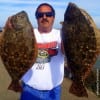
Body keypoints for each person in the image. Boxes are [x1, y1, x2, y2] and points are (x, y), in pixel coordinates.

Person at [6, 3, 64, 100]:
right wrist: (8, 30)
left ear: (53, 17)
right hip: (29, 89)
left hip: (54, 90)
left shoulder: (62, 35)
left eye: (48, 14)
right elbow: (8, 47)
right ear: (36, 18)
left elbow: (69, 52)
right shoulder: (27, 33)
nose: (44, 17)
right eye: (40, 15)